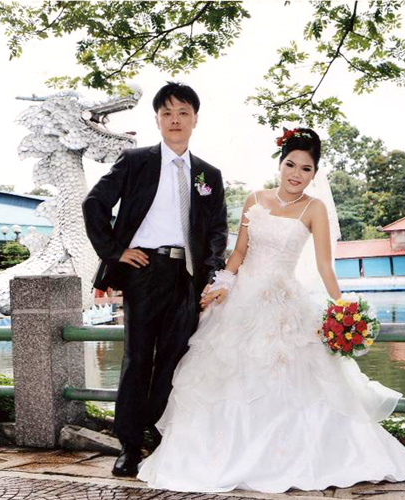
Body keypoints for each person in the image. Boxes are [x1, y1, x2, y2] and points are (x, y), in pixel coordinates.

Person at [137, 128, 405, 492]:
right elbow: (238, 253)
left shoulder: (314, 208)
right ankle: (223, 458)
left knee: (293, 379)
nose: (296, 174)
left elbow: (324, 266)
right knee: (227, 375)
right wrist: (222, 285)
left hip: (285, 304)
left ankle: (289, 458)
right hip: (242, 301)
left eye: (306, 169)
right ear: (280, 164)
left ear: (314, 174)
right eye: (290, 164)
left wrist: (343, 310)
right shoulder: (255, 199)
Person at [82, 82, 228, 477]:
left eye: (183, 112)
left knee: (175, 360)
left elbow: (218, 229)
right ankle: (129, 446)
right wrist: (115, 251)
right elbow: (94, 202)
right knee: (137, 359)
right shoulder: (135, 161)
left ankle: (163, 439)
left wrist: (211, 272)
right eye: (167, 113)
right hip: (143, 270)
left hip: (188, 276)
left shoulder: (209, 174)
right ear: (158, 120)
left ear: (195, 119)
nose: (175, 120)